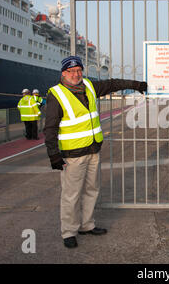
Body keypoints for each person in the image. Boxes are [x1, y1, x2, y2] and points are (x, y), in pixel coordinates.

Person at [44, 55, 147, 249]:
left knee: (92, 190)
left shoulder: (89, 87)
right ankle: (69, 231)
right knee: (71, 195)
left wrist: (136, 84)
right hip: (72, 155)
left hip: (93, 150)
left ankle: (87, 225)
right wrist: (54, 155)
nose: (76, 74)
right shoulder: (56, 94)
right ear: (63, 74)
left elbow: (113, 84)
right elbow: (50, 128)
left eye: (78, 70)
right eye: (71, 71)